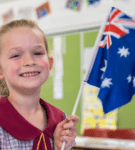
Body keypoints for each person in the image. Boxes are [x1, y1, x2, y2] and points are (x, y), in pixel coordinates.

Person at [0, 19, 79, 150]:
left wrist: (60, 148)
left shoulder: (60, 119)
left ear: (50, 63)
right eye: (16, 55)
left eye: (38, 53)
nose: (29, 61)